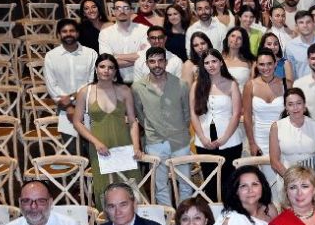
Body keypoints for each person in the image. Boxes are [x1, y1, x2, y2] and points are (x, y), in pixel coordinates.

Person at [73, 54, 143, 205]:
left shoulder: (124, 90)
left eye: (111, 67)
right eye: (102, 66)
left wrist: (136, 146)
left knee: (131, 187)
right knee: (104, 189)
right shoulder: (85, 92)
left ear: (115, 71)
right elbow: (77, 122)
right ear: (96, 69)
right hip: (99, 146)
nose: (106, 70)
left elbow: (133, 121)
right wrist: (96, 142)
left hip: (124, 144)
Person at [133, 47, 192, 207]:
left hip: (180, 141)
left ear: (166, 62)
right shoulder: (138, 87)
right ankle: (168, 217)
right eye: (152, 61)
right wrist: (152, 127)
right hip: (155, 142)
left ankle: (185, 216)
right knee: (160, 186)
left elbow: (187, 113)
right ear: (147, 64)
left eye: (160, 60)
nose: (157, 65)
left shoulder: (181, 85)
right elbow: (139, 114)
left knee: (186, 184)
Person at [193, 51, 247, 204]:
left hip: (230, 141)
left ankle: (230, 213)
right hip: (204, 141)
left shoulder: (232, 84)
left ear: (221, 62)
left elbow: (236, 114)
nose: (211, 65)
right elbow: (193, 114)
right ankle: (213, 214)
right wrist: (203, 138)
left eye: (214, 61)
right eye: (207, 62)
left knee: (230, 183)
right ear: (203, 66)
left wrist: (224, 138)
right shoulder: (197, 85)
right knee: (210, 183)